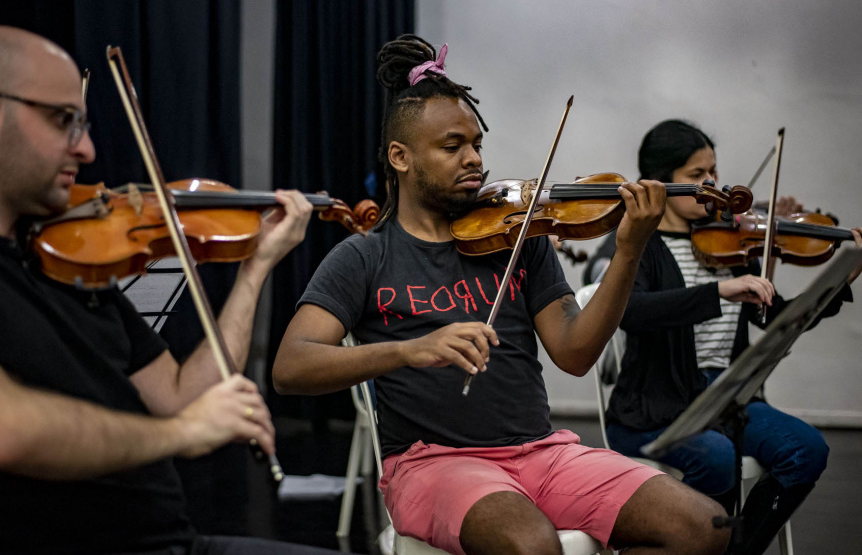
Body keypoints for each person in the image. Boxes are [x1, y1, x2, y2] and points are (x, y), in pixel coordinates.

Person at [274, 35, 730, 555]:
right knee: (531, 546)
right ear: (400, 157)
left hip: (543, 453)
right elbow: (290, 368)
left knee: (703, 527)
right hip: (433, 463)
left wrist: (628, 251)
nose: (473, 159)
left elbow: (576, 354)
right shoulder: (364, 257)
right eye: (452, 147)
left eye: (477, 144)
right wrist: (407, 350)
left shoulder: (521, 238)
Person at [0, 26, 340, 554]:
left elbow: (182, 394)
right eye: (64, 121)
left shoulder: (64, 257)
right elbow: (0, 428)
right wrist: (182, 433)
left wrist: (256, 268)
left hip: (169, 541)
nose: (85, 149)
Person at [603, 119, 862, 555]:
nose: (712, 186)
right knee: (718, 457)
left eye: (714, 173)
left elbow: (780, 317)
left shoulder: (729, 241)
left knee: (807, 449)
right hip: (655, 407)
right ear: (660, 183)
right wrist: (716, 291)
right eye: (696, 176)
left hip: (726, 399)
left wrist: (841, 278)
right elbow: (630, 312)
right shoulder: (637, 244)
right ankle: (701, 541)